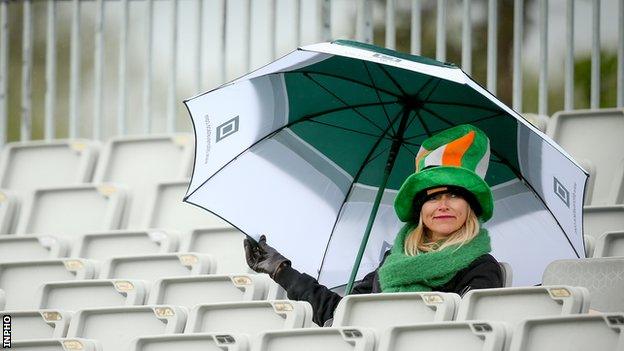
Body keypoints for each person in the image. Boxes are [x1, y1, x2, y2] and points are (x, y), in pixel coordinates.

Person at [244, 124, 503, 326]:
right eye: (432, 197)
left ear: (471, 208)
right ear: (420, 209)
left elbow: (465, 338)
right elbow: (341, 313)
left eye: (455, 195)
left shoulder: (481, 268)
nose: (443, 204)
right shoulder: (393, 261)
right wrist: (282, 270)